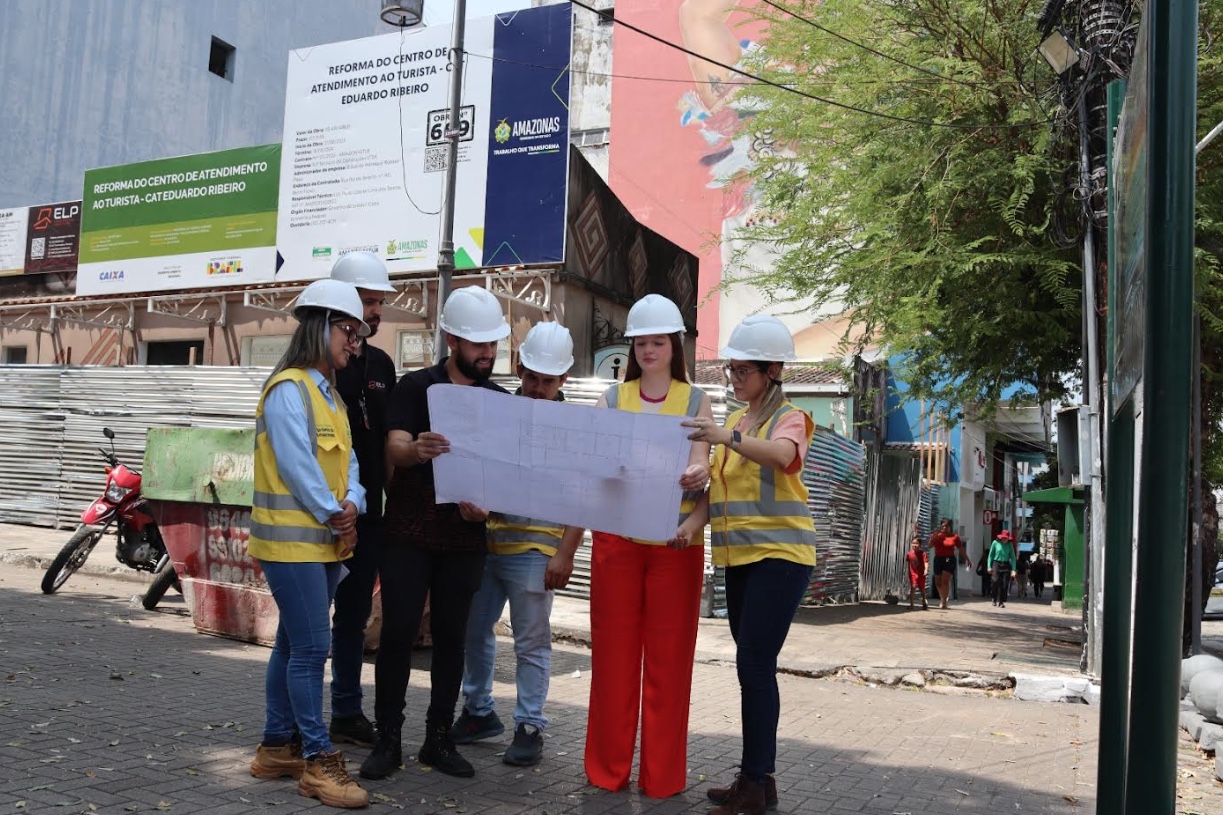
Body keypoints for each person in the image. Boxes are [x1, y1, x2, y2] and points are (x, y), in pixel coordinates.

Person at [549, 293, 713, 799]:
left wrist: (700, 471)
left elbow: (705, 468)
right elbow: (590, 480)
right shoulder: (610, 400)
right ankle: (607, 770)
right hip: (616, 546)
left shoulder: (696, 400)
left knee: (669, 666)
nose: (648, 349)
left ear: (674, 345)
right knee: (615, 663)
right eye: (640, 341)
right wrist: (565, 547)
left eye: (657, 341)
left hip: (675, 548)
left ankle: (662, 778)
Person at [361, 286, 511, 781]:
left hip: (464, 539)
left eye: (493, 343)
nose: (487, 353)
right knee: (399, 636)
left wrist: (486, 509)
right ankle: (388, 741)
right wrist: (417, 450)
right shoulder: (414, 387)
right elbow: (396, 446)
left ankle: (438, 740)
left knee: (453, 640)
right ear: (452, 339)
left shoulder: (499, 402)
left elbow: (506, 479)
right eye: (477, 343)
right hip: (407, 534)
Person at [682, 314, 818, 815]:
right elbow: (719, 491)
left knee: (754, 665)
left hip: (780, 558)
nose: (734, 380)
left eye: (743, 371)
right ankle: (760, 778)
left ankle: (755, 784)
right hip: (739, 560)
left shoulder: (790, 418)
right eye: (730, 372)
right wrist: (690, 526)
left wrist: (724, 438)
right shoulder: (738, 424)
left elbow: (783, 457)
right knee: (752, 668)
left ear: (772, 371)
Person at [247, 279, 370, 809]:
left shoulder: (332, 398)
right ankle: (318, 762)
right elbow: (299, 467)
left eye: (358, 335)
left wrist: (354, 504)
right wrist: (333, 512)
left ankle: (277, 747)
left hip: (322, 546)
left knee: (293, 646)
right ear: (320, 327)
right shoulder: (288, 391)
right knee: (313, 650)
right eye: (348, 331)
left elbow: (352, 466)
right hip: (293, 547)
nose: (354, 343)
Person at [451, 322, 575, 768]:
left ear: (564, 379)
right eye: (532, 378)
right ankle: (478, 712)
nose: (538, 388)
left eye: (548, 380)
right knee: (473, 631)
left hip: (537, 551)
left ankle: (529, 725)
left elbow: (584, 494)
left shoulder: (575, 427)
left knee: (531, 643)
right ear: (520, 369)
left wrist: (566, 552)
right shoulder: (499, 411)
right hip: (489, 543)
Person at [327, 252, 398, 750]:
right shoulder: (321, 364)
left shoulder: (383, 365)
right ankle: (291, 724)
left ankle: (346, 712)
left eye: (377, 302)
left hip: (369, 515)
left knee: (353, 618)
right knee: (306, 628)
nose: (374, 312)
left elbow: (388, 441)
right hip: (320, 514)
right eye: (367, 301)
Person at [927, 519, 971, 609]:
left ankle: (944, 602)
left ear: (950, 527)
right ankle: (943, 597)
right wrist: (933, 537)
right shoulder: (937, 536)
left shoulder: (954, 537)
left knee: (945, 580)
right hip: (938, 559)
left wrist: (968, 560)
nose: (944, 528)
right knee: (938, 582)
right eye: (942, 526)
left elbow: (961, 549)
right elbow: (930, 546)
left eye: (946, 526)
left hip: (949, 559)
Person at [988, 530, 1017, 608]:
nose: (1005, 540)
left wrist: (1013, 570)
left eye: (1006, 538)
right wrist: (989, 566)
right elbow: (990, 555)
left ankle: (1001, 601)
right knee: (995, 581)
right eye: (1003, 538)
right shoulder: (995, 543)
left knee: (1004, 584)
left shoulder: (1010, 545)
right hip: (996, 563)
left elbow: (1013, 558)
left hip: (1006, 564)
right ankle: (993, 597)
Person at [906, 535, 929, 611]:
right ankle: (911, 604)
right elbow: (908, 563)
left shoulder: (923, 554)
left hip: (921, 574)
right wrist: (908, 572)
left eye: (916, 543)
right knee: (913, 588)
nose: (914, 545)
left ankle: (924, 601)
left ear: (920, 545)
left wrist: (926, 569)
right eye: (913, 543)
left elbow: (926, 562)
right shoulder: (909, 554)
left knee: (922, 589)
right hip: (913, 574)